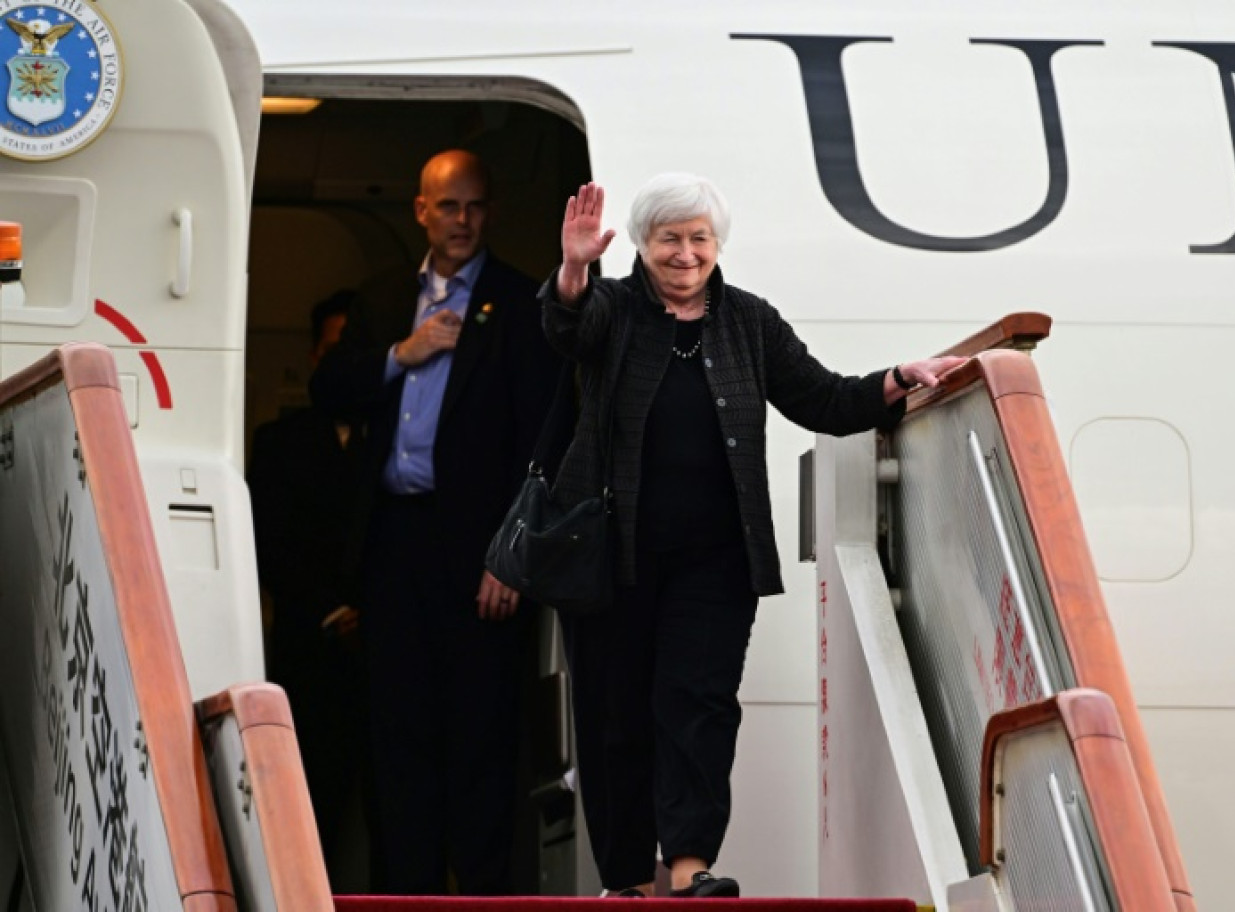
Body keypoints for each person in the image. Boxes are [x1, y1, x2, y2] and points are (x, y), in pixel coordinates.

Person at [541, 175, 965, 898]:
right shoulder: (612, 310)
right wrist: (576, 267)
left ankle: (688, 864)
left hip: (715, 563)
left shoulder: (747, 322)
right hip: (613, 560)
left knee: (699, 706)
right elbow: (565, 326)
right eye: (669, 238)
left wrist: (897, 378)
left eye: (698, 238)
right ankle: (625, 879)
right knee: (616, 719)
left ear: (718, 245)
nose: (685, 253)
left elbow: (824, 398)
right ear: (643, 246)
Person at [310, 150, 560, 895]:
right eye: (448, 206)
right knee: (397, 742)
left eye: (476, 206)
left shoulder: (522, 303)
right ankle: (403, 897)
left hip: (480, 556)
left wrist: (512, 556)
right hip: (395, 550)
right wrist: (401, 354)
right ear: (421, 210)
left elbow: (542, 440)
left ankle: (482, 899)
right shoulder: (385, 296)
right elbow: (330, 387)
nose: (463, 220)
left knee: (482, 742)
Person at [247, 290, 366, 889]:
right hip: (305, 646)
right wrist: (331, 611)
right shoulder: (277, 443)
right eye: (331, 350)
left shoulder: (399, 436)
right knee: (303, 795)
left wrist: (367, 611)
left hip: (382, 647)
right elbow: (266, 545)